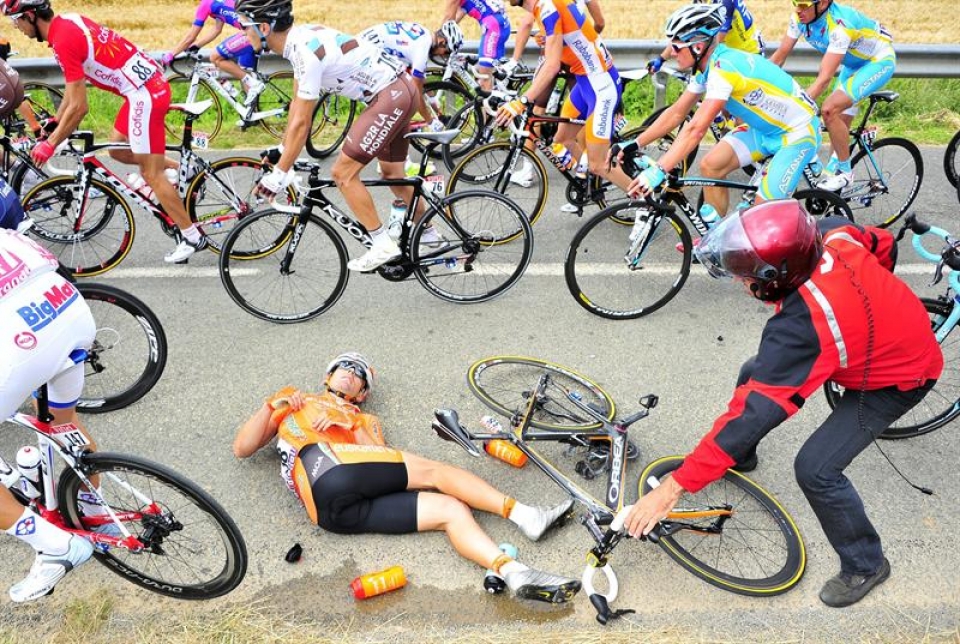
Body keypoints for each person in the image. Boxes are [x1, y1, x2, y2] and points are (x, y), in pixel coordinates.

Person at [624, 200, 943, 608]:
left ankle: (866, 564)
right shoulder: (830, 233)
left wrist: (673, 488)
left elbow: (751, 415)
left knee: (816, 469)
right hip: (873, 338)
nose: (740, 282)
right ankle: (741, 457)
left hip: (900, 377)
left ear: (776, 278)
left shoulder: (802, 327)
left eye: (744, 276)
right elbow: (883, 244)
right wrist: (867, 306)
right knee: (752, 371)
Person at [233, 352, 582, 604]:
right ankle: (525, 515)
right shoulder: (296, 401)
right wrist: (271, 405)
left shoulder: (364, 419)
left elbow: (381, 460)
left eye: (359, 374)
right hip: (320, 466)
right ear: (328, 376)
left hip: (332, 514)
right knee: (435, 472)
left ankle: (511, 570)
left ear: (362, 394)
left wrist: (349, 423)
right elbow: (242, 448)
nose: (350, 373)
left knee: (451, 510)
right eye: (344, 366)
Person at [237, 0, 439, 272]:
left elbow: (302, 123)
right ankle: (429, 233)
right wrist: (282, 149)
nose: (242, 34)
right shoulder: (299, 42)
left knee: (343, 173)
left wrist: (278, 175)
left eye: (244, 27)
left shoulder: (304, 53)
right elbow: (297, 106)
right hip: (400, 91)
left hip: (391, 96)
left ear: (263, 27)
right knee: (392, 174)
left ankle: (382, 244)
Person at [3, 0, 209, 263]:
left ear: (31, 16)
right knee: (117, 149)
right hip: (142, 89)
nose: (16, 27)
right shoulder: (66, 23)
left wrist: (50, 144)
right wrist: (57, 120)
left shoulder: (64, 41)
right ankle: (185, 170)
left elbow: (80, 107)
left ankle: (192, 236)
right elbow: (72, 93)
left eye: (16, 20)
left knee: (151, 173)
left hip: (144, 94)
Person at [621, 3, 820, 227]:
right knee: (711, 166)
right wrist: (634, 143)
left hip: (797, 134)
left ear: (698, 47)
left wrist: (658, 171)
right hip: (764, 130)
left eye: (677, 47)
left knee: (761, 214)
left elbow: (696, 129)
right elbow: (677, 112)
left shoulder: (723, 70)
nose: (672, 53)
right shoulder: (707, 69)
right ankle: (717, 236)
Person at [0, 227, 98, 602]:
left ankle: (55, 547)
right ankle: (94, 507)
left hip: (21, 338)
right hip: (67, 307)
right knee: (62, 420)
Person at [496, 0, 633, 195]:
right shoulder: (545, 7)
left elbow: (551, 66)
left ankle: (646, 200)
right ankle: (587, 182)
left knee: (599, 164)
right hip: (585, 84)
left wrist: (522, 101)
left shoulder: (548, 9)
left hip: (601, 86)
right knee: (563, 139)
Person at [769, 0, 895, 192]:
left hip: (877, 62)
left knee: (829, 110)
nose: (798, 10)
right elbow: (778, 58)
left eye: (803, 4)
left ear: (823, 3)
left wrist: (795, 109)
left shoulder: (839, 26)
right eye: (795, 2)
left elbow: (824, 78)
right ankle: (834, 187)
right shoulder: (799, 19)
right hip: (852, 66)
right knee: (836, 125)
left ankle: (845, 173)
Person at [161, 0, 265, 109]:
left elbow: (190, 37)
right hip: (261, 29)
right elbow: (216, 29)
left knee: (215, 57)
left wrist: (171, 54)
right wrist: (197, 45)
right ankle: (251, 114)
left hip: (253, 33)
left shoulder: (206, 4)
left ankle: (255, 84)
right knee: (244, 71)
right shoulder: (215, 2)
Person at [648, 0, 764, 74]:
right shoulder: (700, 1)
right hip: (727, 51)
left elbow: (716, 39)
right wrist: (661, 59)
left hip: (747, 55)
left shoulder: (725, 2)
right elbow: (684, 35)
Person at [438, 0, 511, 93]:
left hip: (493, 26)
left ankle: (488, 99)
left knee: (484, 76)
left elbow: (448, 18)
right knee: (491, 74)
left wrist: (437, 39)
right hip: (500, 23)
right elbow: (457, 16)